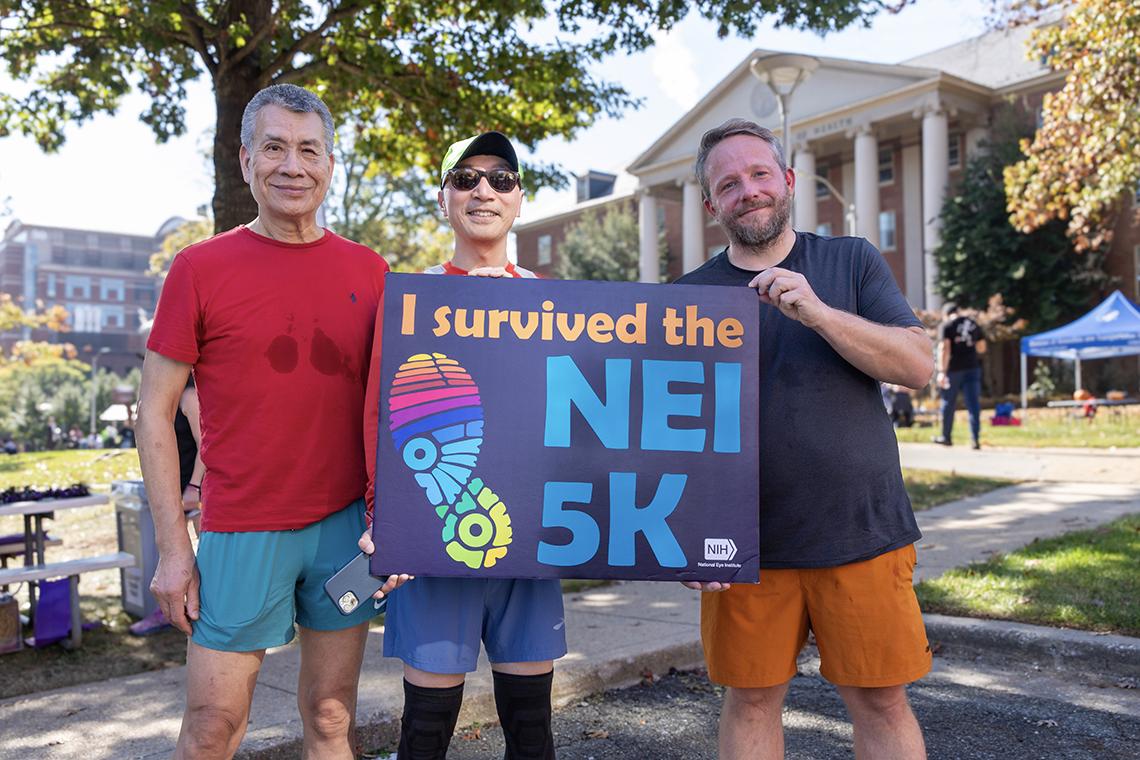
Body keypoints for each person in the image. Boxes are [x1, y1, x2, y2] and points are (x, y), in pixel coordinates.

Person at [136, 83, 407, 758]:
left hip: (345, 532)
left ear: (330, 163)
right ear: (246, 159)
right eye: (275, 147)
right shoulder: (198, 268)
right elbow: (153, 412)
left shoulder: (373, 273)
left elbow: (402, 409)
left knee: (332, 717)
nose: (293, 165)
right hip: (240, 528)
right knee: (212, 726)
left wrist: (401, 523)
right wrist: (174, 552)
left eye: (309, 149)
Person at [675, 119, 934, 760]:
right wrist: (677, 535)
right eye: (728, 183)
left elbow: (918, 367)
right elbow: (664, 436)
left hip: (861, 529)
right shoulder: (682, 298)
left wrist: (817, 313)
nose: (748, 190)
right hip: (742, 547)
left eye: (760, 174)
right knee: (752, 698)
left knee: (880, 698)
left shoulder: (849, 261)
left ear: (788, 181)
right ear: (712, 206)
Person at [360, 132, 566, 760]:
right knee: (425, 731)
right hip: (432, 529)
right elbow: (377, 412)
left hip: (530, 535)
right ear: (443, 198)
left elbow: (586, 424)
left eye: (501, 178)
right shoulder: (409, 300)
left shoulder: (556, 301)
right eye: (466, 178)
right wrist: (382, 515)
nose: (484, 190)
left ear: (519, 199)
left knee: (532, 732)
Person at [130, 377, 205, 635]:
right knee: (168, 557)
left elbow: (206, 445)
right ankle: (170, 612)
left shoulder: (190, 395)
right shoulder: (167, 398)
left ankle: (200, 614)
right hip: (176, 491)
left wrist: (195, 487)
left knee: (205, 560)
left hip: (196, 493)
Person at [932, 301, 986, 449]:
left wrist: (942, 372)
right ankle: (975, 439)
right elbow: (982, 348)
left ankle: (946, 437)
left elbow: (945, 349)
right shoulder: (973, 324)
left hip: (953, 370)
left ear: (946, 314)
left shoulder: (947, 326)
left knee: (948, 403)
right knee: (973, 404)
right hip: (972, 368)